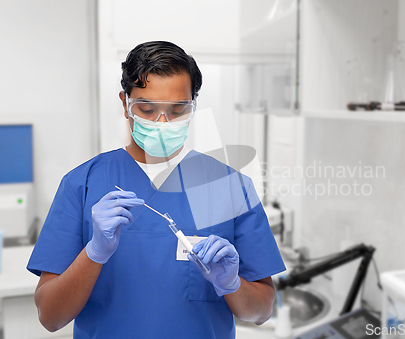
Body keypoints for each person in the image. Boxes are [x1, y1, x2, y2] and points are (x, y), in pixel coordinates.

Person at [27, 41, 285, 339]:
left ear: (193, 106)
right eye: (147, 109)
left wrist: (232, 285)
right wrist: (94, 253)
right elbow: (50, 317)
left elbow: (262, 311)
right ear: (125, 103)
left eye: (177, 110)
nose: (162, 122)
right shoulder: (82, 185)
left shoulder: (229, 187)